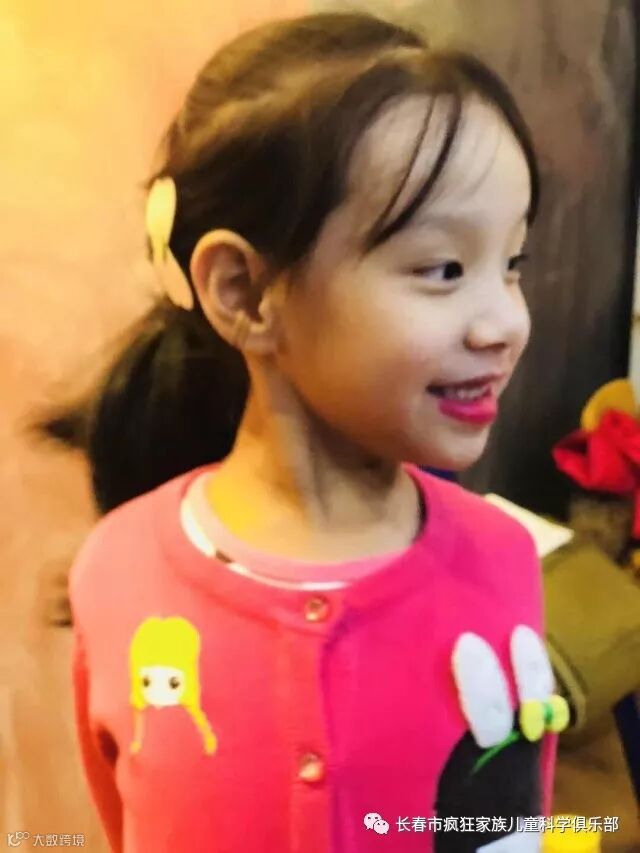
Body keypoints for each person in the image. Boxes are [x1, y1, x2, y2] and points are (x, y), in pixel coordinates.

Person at [32, 11, 570, 852]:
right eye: (445, 269)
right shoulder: (118, 571)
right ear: (244, 293)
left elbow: (505, 826)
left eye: (512, 264)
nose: (506, 322)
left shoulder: (503, 561)